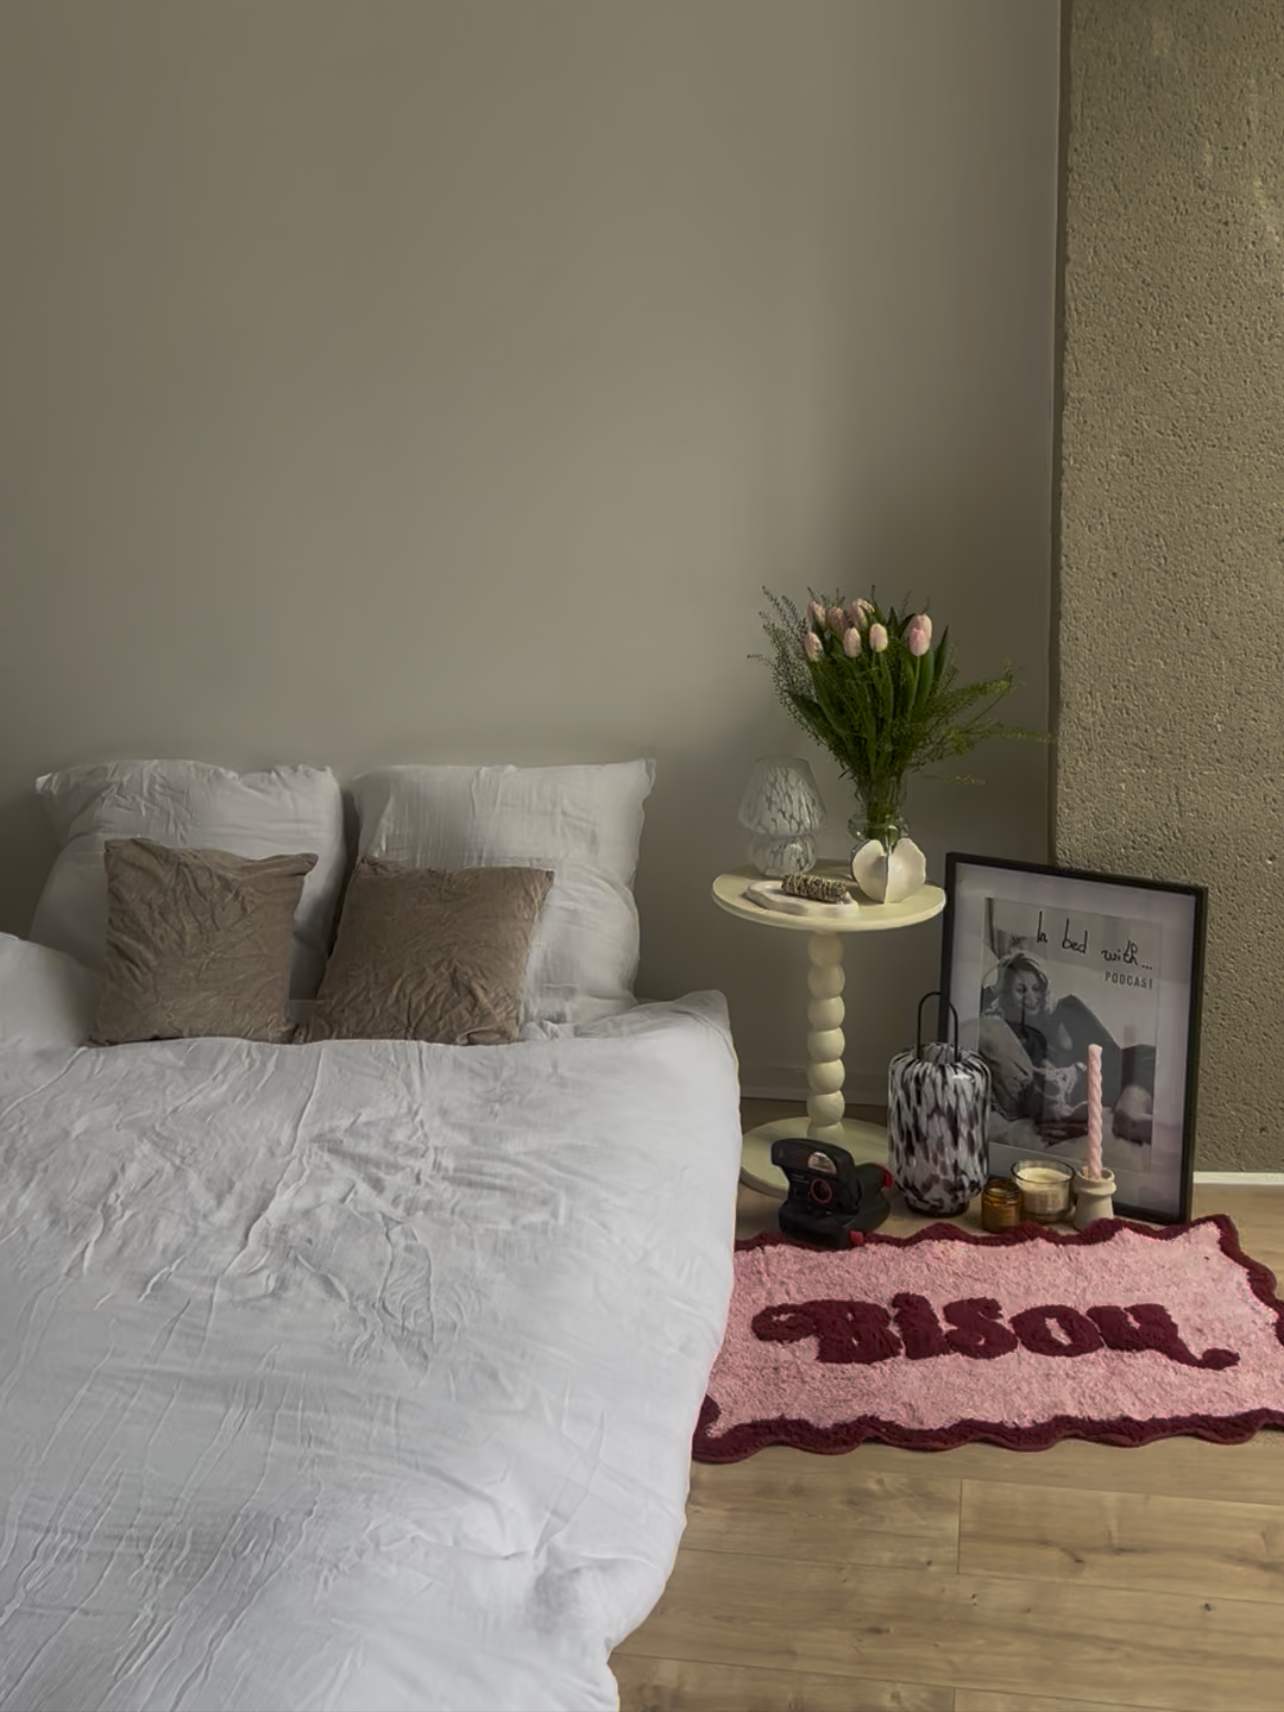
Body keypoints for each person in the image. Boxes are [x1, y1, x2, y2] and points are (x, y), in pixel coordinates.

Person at [977, 949, 1155, 1145]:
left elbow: (1110, 1051)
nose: (1031, 997)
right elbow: (973, 1012)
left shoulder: (1067, 1007)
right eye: (1021, 990)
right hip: (1071, 1090)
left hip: (1099, 1073)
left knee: (1144, 1053)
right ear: (1007, 994)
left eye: (1036, 988)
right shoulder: (1008, 1030)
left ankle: (1129, 1112)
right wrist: (997, 986)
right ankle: (1126, 1117)